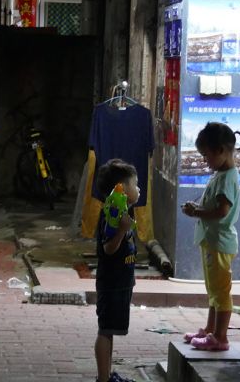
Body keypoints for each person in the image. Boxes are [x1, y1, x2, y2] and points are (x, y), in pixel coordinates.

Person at [181, 122, 240, 351]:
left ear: (220, 150)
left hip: (220, 242)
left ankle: (220, 337)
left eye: (206, 155)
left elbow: (221, 211)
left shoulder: (228, 176)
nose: (204, 160)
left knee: (221, 292)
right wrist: (197, 207)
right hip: (212, 241)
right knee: (214, 291)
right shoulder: (221, 174)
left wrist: (196, 212)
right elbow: (214, 204)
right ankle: (211, 331)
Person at [93, 159, 140, 382]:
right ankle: (103, 378)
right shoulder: (111, 214)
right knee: (105, 330)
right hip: (111, 283)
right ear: (121, 188)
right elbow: (108, 249)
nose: (138, 189)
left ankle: (107, 375)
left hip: (121, 281)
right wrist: (122, 231)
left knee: (111, 330)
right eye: (135, 184)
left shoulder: (124, 209)